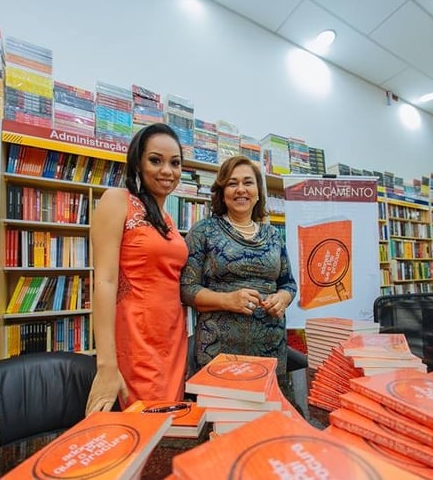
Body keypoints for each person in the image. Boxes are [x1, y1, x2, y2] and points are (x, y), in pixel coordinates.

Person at [85, 123, 188, 415]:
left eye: (175, 162)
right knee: (144, 426)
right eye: (156, 160)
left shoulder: (167, 218)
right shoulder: (117, 201)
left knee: (172, 425)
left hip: (173, 337)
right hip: (138, 338)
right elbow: (104, 281)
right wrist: (106, 365)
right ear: (138, 163)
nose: (167, 170)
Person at [180, 155, 296, 379]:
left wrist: (283, 298)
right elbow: (186, 288)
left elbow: (288, 283)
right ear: (222, 192)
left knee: (269, 413)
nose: (240, 189)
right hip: (218, 352)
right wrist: (227, 300)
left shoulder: (273, 235)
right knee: (222, 413)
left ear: (258, 192)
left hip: (271, 350)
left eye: (248, 182)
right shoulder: (203, 231)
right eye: (232, 183)